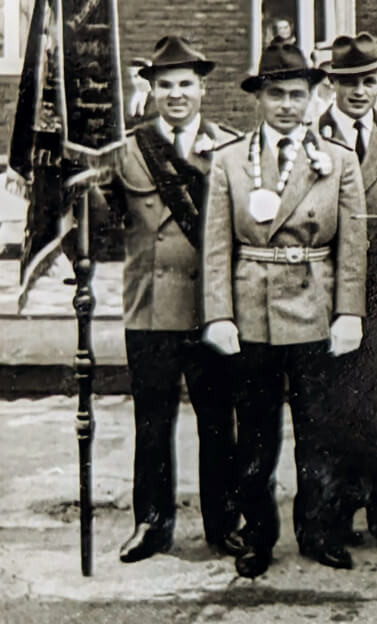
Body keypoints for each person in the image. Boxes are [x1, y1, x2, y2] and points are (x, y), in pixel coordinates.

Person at [202, 42, 368, 579]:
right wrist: (219, 315)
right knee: (255, 431)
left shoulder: (338, 159)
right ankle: (258, 534)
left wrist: (350, 313)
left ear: (313, 98)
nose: (288, 105)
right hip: (252, 310)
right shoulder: (229, 160)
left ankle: (317, 531)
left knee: (319, 429)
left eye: (299, 95)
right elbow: (216, 246)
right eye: (277, 94)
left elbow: (353, 244)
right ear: (259, 98)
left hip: (315, 304)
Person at [108, 37, 242, 563]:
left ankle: (223, 523)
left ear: (203, 88)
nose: (177, 94)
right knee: (152, 423)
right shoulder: (125, 150)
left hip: (211, 308)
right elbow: (101, 221)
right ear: (152, 91)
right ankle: (152, 523)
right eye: (165, 85)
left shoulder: (230, 147)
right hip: (150, 305)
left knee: (217, 421)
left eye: (186, 83)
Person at [313, 31, 377, 552]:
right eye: (349, 81)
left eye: (369, 81)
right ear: (332, 83)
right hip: (328, 285)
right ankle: (333, 516)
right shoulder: (311, 134)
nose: (359, 90)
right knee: (335, 407)